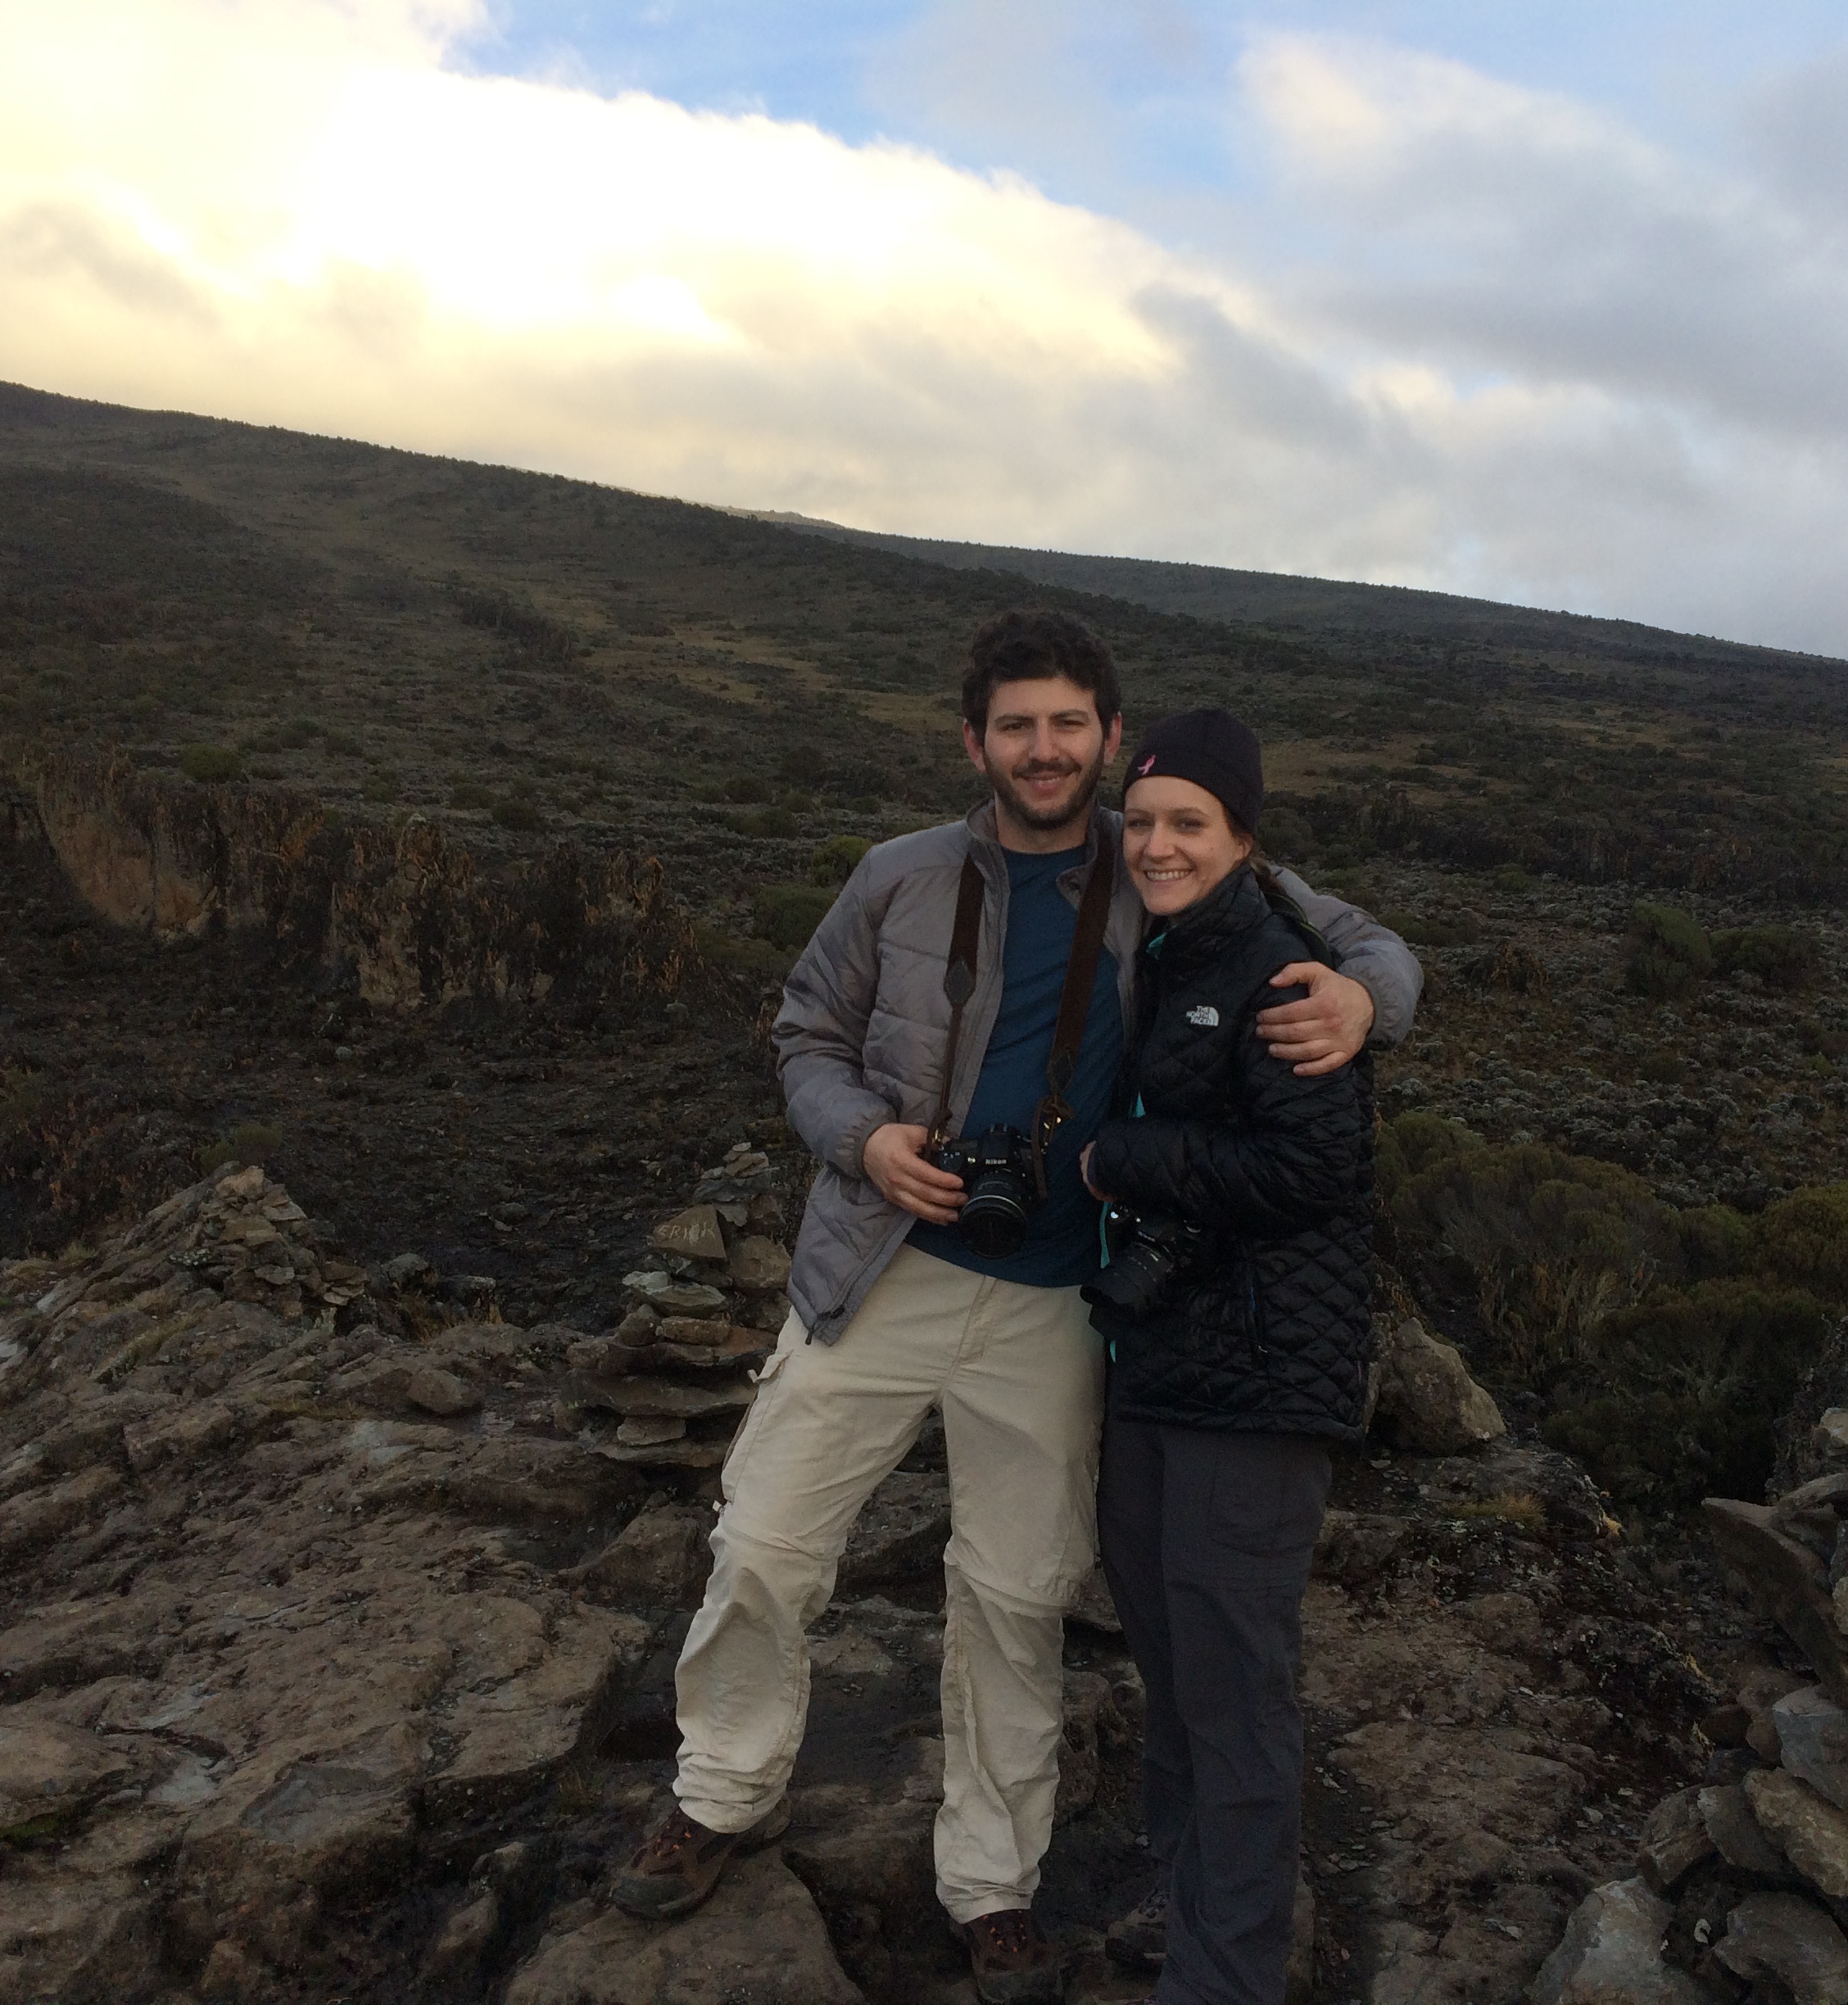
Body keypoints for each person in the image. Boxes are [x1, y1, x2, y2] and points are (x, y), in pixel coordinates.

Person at [607, 610, 1423, 2005]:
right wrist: (864, 1140)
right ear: (971, 742)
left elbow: (1367, 945)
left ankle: (992, 1881)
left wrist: (1364, 1003)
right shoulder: (899, 876)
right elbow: (805, 1032)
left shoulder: (1158, 854)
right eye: (1015, 726)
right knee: (765, 1544)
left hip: (1056, 1299)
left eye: (1067, 725)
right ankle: (721, 1791)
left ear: (1109, 736)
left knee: (1016, 1595)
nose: (1043, 750)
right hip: (880, 1271)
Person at [1080, 708, 1379, 2005]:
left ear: (1245, 837)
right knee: (1169, 1653)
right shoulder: (1163, 954)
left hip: (1256, 1382)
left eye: (1189, 823)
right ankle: (1183, 1889)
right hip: (1162, 1360)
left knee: (1235, 1683)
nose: (1159, 844)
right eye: (1143, 821)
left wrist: (1122, 1158)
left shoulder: (1282, 974)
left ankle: (1228, 1972)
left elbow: (1315, 1168)